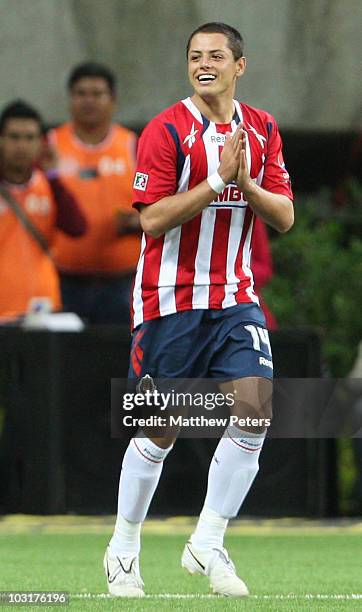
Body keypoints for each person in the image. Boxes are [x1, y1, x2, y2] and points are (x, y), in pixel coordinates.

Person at [105, 22, 294, 598]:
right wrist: (216, 179)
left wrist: (247, 183)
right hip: (169, 300)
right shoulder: (166, 129)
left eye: (216, 55)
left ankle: (208, 541)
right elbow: (152, 219)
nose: (203, 63)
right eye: (195, 55)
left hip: (235, 299)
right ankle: (124, 548)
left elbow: (283, 217)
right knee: (160, 428)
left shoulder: (262, 129)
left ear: (240, 65)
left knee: (255, 409)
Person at [48, 62, 140, 325]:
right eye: (81, 94)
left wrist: (136, 221)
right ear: (70, 99)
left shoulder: (133, 146)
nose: (89, 101)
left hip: (123, 283)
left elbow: (161, 205)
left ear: (112, 100)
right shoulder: (50, 145)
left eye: (97, 94)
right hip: (63, 280)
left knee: (117, 359)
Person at [0, 100, 86, 319]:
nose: (22, 146)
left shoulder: (48, 185)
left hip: (42, 310)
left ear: (41, 143)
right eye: (14, 137)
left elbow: (77, 227)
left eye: (30, 138)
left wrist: (54, 178)